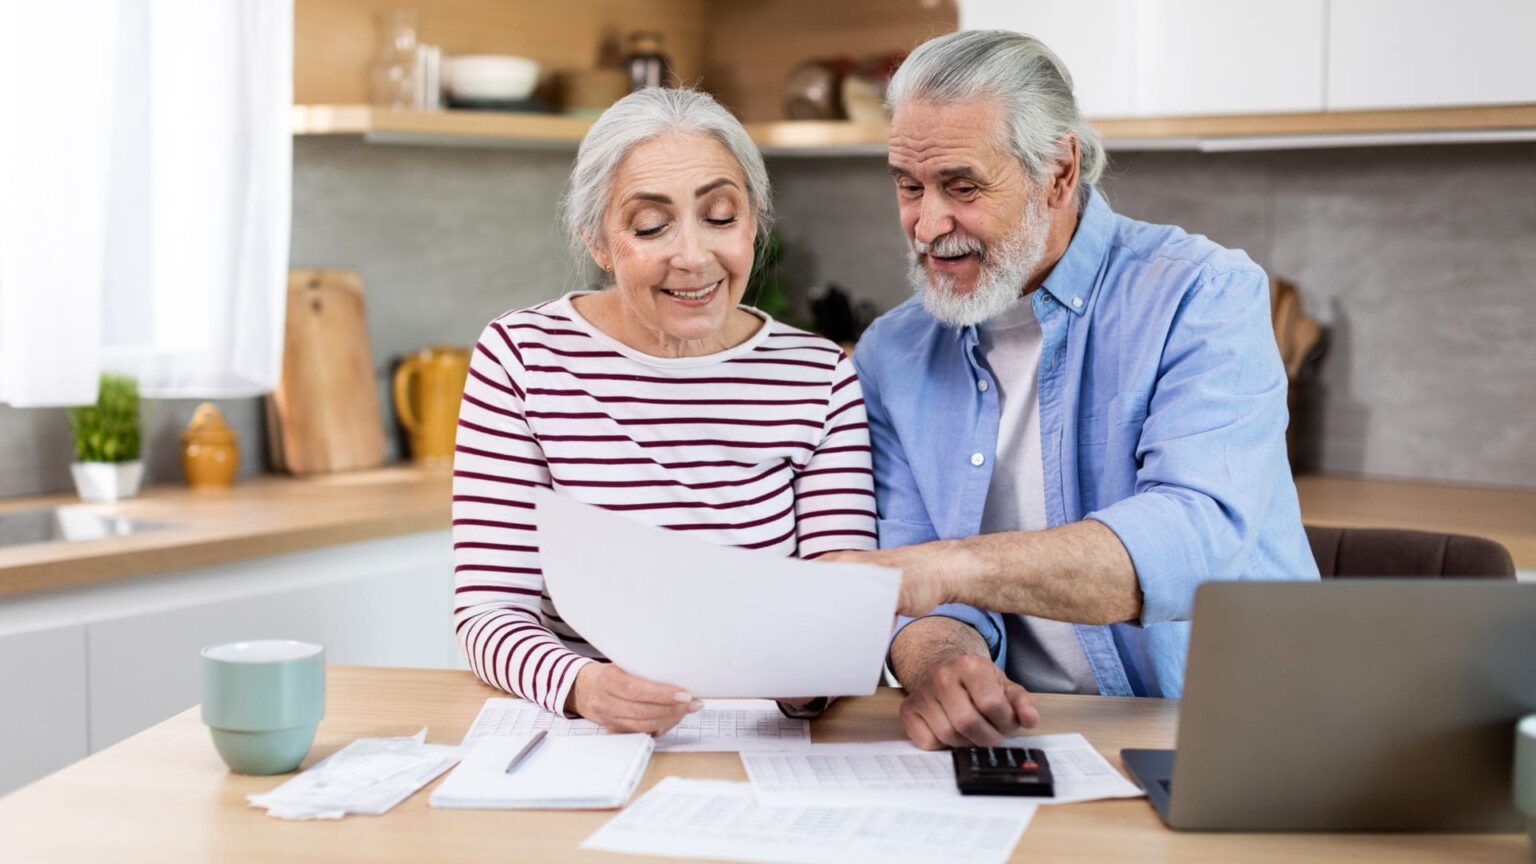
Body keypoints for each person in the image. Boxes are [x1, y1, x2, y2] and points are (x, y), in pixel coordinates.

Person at [825, 30, 1319, 750]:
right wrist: (945, 663)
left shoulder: (1201, 294)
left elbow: (1192, 540)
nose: (928, 225)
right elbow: (910, 564)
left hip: (1234, 735)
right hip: (1036, 738)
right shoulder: (893, 353)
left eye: (961, 187)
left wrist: (949, 570)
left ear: (1059, 170)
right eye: (908, 185)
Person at [452, 88, 876, 735]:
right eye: (651, 226)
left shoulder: (819, 375)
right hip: (587, 733)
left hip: (762, 738)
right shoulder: (522, 358)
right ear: (597, 239)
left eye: (720, 216)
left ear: (755, 221)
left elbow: (838, 609)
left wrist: (808, 682)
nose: (693, 255)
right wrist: (584, 686)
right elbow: (489, 611)